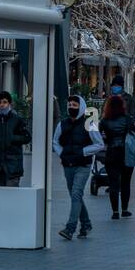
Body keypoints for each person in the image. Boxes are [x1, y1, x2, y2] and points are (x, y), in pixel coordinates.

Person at [52, 95, 105, 240]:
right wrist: (62, 154)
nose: (71, 108)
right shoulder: (62, 124)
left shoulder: (90, 121)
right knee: (76, 196)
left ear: (81, 106)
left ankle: (70, 228)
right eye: (70, 105)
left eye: (75, 105)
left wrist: (83, 152)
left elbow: (99, 144)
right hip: (68, 164)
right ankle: (86, 224)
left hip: (83, 164)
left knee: (76, 194)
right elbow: (55, 141)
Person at [99, 93, 135, 218]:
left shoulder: (104, 121)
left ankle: (115, 212)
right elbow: (133, 133)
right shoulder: (127, 119)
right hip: (126, 154)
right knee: (126, 183)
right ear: (122, 106)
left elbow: (98, 137)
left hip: (112, 153)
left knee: (113, 183)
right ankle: (125, 210)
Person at [0, 91, 31, 187]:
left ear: (9, 104)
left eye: (4, 102)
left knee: (11, 195)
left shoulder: (17, 120)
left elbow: (27, 137)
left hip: (13, 165)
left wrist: (12, 138)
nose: (2, 105)